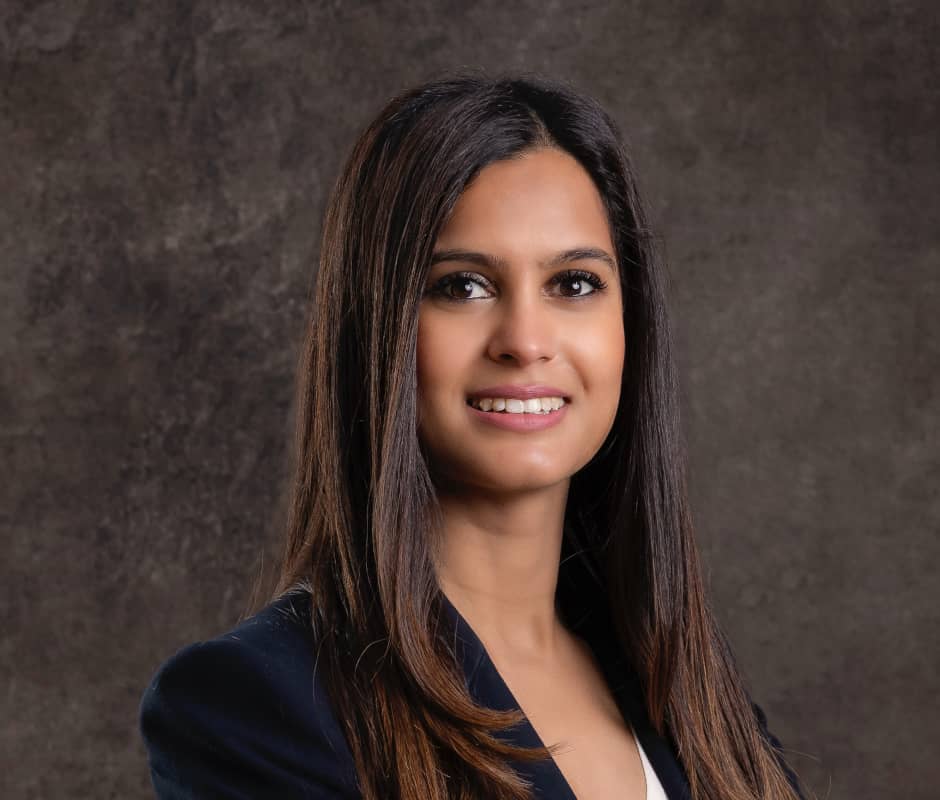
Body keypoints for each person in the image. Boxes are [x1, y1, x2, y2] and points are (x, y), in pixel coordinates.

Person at [139, 70, 808, 800]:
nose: (525, 341)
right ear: (379, 331)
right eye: (462, 286)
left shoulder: (687, 692)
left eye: (574, 284)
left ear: (630, 327)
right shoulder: (256, 705)